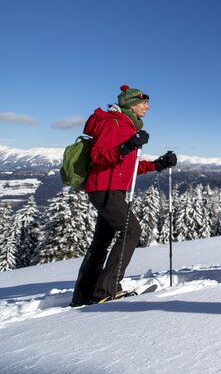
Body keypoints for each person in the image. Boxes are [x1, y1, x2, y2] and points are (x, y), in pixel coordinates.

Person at [70, 85, 177, 306]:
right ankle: (106, 290)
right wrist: (126, 146)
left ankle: (84, 294)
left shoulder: (128, 126)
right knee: (131, 230)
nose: (147, 107)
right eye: (143, 102)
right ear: (130, 104)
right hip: (104, 188)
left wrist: (158, 164)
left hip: (110, 188)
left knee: (102, 241)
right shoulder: (114, 122)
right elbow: (99, 155)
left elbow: (129, 166)